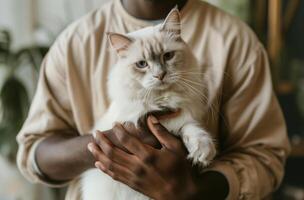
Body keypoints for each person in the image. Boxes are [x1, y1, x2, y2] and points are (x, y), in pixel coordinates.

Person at [16, 0, 290, 199]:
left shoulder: (236, 40)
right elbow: (33, 150)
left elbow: (265, 156)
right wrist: (111, 144)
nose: (158, 73)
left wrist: (195, 192)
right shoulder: (74, 42)